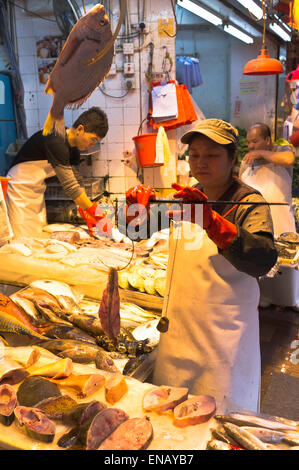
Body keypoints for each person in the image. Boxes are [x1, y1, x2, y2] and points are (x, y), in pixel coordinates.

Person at [122, 119, 277, 414]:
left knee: (218, 422)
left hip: (223, 340)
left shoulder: (248, 202)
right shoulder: (189, 194)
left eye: (212, 155)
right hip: (179, 333)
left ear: (233, 158)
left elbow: (263, 260)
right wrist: (133, 211)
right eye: (194, 155)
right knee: (172, 422)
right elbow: (137, 233)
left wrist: (213, 222)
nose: (200, 162)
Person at [5, 107, 112, 238]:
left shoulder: (73, 149)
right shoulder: (55, 139)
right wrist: (98, 215)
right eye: (93, 140)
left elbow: (77, 181)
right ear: (80, 129)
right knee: (21, 238)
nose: (92, 145)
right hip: (18, 188)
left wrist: (85, 212)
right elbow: (71, 187)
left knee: (38, 236)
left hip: (36, 191)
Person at [239, 123, 296, 237]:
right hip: (254, 229)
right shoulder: (246, 163)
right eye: (249, 142)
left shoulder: (281, 150)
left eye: (255, 142)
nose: (250, 146)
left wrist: (260, 153)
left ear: (268, 140)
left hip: (283, 227)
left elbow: (289, 159)